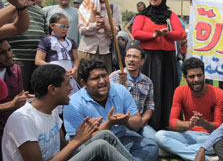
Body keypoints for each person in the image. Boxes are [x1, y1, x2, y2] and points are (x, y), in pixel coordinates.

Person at [2, 64, 133, 161]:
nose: (71, 88)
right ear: (52, 89)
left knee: (105, 134)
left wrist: (83, 136)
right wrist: (77, 141)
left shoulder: (51, 111)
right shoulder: (23, 119)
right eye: (67, 84)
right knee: (100, 146)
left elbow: (63, 148)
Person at [63, 58, 158, 161]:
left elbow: (138, 123)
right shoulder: (74, 103)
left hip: (122, 138)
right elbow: (75, 143)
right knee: (105, 140)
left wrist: (126, 121)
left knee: (150, 146)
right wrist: (109, 123)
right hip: (91, 144)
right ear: (84, 83)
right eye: (95, 78)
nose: (102, 81)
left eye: (104, 76)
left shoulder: (120, 90)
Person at [132, 0, 185, 130]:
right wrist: (153, 36)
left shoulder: (170, 14)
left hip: (167, 57)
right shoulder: (142, 15)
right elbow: (135, 32)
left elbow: (180, 33)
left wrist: (167, 34)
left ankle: (168, 122)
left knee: (167, 89)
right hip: (148, 57)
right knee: (149, 89)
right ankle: (147, 122)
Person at [154, 57, 223, 160]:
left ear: (204, 74)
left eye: (199, 75)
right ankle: (203, 157)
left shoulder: (219, 94)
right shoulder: (180, 91)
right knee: (159, 135)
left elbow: (218, 126)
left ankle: (178, 150)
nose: (196, 80)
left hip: (209, 137)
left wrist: (203, 123)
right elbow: (173, 121)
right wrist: (189, 124)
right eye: (192, 76)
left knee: (219, 143)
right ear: (184, 77)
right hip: (187, 135)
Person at [6, 0, 49, 93]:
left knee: (37, 93)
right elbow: (11, 24)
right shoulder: (8, 7)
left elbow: (46, 33)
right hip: (18, 60)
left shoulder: (39, 10)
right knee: (19, 94)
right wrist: (21, 3)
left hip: (38, 60)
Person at [35, 13, 80, 112]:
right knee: (56, 101)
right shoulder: (46, 41)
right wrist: (55, 69)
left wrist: (74, 69)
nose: (65, 29)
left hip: (69, 76)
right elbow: (38, 61)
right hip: (53, 77)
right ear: (52, 26)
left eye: (67, 27)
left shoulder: (71, 42)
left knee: (71, 101)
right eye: (62, 26)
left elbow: (76, 59)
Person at [109, 45, 156, 139]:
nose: (131, 59)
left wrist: (139, 123)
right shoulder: (114, 76)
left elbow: (149, 107)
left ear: (142, 61)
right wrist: (120, 83)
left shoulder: (147, 81)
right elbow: (110, 101)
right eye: (128, 56)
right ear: (125, 59)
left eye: (135, 57)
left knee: (155, 140)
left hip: (140, 124)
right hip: (119, 124)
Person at [77, 0, 121, 73]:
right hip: (87, 50)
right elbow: (81, 30)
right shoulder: (85, 8)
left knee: (103, 78)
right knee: (85, 77)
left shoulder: (113, 8)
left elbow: (115, 31)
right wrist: (95, 25)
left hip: (105, 51)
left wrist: (105, 26)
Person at [0, 39, 31, 150]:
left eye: (9, 49)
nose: (9, 55)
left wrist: (24, 99)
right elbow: (13, 103)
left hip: (11, 127)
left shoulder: (15, 69)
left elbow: (19, 96)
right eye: (2, 53)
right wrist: (11, 104)